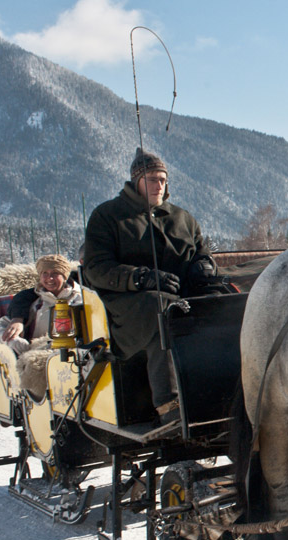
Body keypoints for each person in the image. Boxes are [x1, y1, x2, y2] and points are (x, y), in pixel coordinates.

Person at [82, 147, 227, 430]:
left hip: (181, 293)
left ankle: (230, 387)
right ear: (136, 181)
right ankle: (170, 404)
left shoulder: (182, 218)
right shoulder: (108, 216)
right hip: (128, 306)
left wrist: (204, 266)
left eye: (163, 179)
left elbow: (202, 252)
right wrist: (140, 277)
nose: (159, 185)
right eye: (152, 179)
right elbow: (96, 268)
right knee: (162, 308)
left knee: (224, 302)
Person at [0, 254, 83, 355]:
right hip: (37, 356)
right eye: (45, 273)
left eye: (55, 273)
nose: (50, 278)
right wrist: (13, 340)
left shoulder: (80, 299)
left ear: (65, 276)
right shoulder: (32, 302)